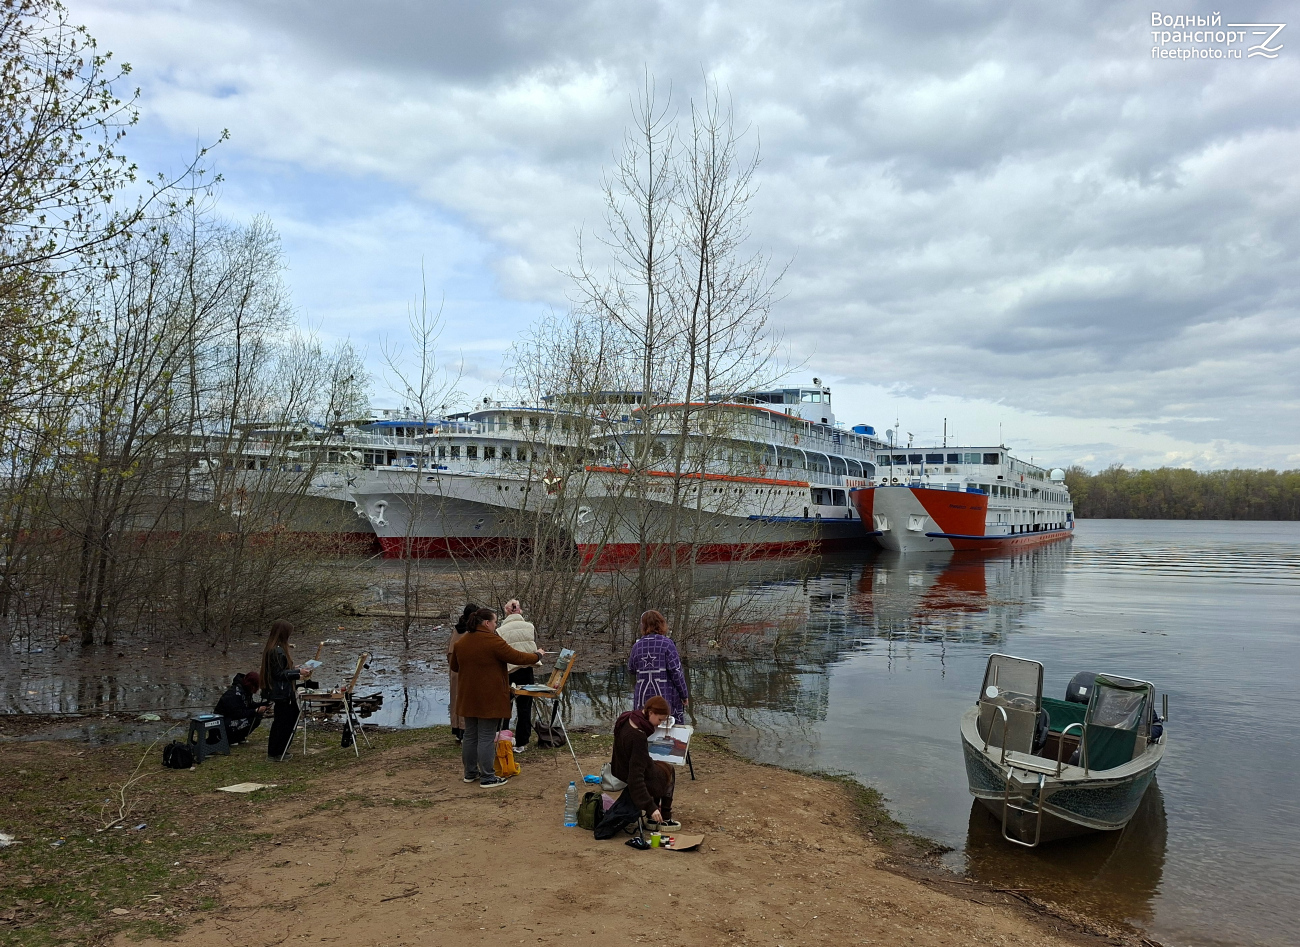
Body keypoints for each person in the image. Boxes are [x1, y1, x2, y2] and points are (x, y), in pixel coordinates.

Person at [448, 608, 542, 788]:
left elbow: (455, 667)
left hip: (468, 696)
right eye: (495, 622)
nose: (496, 625)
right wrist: (537, 655)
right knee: (486, 736)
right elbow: (517, 657)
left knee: (470, 735)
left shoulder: (462, 642)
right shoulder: (493, 642)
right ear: (487, 623)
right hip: (489, 698)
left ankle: (470, 773)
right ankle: (488, 777)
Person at [610, 694, 680, 830]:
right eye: (659, 720)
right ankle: (663, 816)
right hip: (627, 772)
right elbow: (635, 778)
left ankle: (656, 816)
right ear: (651, 713)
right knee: (668, 770)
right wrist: (650, 807)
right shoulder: (638, 736)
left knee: (659, 768)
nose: (659, 724)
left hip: (619, 767)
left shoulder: (628, 717)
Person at [259, 619, 312, 761]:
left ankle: (278, 750)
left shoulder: (274, 649)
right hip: (283, 693)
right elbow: (278, 674)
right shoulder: (277, 651)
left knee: (285, 720)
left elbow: (280, 670)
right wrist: (298, 672)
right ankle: (277, 751)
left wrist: (294, 669)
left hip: (283, 692)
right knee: (284, 721)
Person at [628, 610, 690, 720]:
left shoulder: (637, 646)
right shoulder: (667, 644)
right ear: (661, 624)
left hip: (643, 696)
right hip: (665, 695)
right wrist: (684, 695)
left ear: (643, 625)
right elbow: (676, 672)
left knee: (643, 722)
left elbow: (631, 669)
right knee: (668, 723)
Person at [496, 598, 538, 753]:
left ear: (506, 612)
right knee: (525, 707)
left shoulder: (501, 630)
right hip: (526, 669)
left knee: (504, 706)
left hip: (508, 670)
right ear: (519, 610)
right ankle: (522, 741)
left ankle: (503, 738)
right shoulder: (530, 626)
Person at [447, 603, 477, 743]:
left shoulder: (456, 630)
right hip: (466, 671)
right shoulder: (470, 632)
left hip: (454, 671)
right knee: (466, 700)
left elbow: (449, 652)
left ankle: (457, 728)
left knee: (456, 699)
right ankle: (464, 730)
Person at [214, 670, 266, 744]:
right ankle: (231, 739)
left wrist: (264, 704)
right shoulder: (234, 694)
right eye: (256, 687)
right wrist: (255, 711)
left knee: (256, 717)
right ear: (251, 686)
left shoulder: (245, 691)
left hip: (230, 719)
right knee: (255, 718)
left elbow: (249, 705)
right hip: (223, 723)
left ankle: (238, 737)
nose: (257, 690)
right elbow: (238, 713)